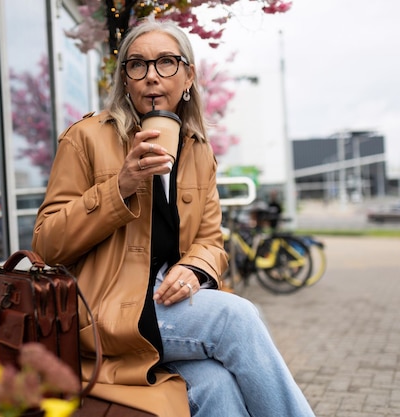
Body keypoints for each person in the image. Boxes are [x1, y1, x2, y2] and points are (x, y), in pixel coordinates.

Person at [32, 19, 314, 417]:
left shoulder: (198, 150)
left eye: (166, 62)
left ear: (187, 77)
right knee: (238, 317)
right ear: (125, 80)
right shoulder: (86, 138)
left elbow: (211, 242)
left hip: (170, 303)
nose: (150, 77)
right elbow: (46, 244)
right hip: (105, 311)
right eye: (137, 65)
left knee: (217, 389)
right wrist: (120, 185)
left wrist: (195, 269)